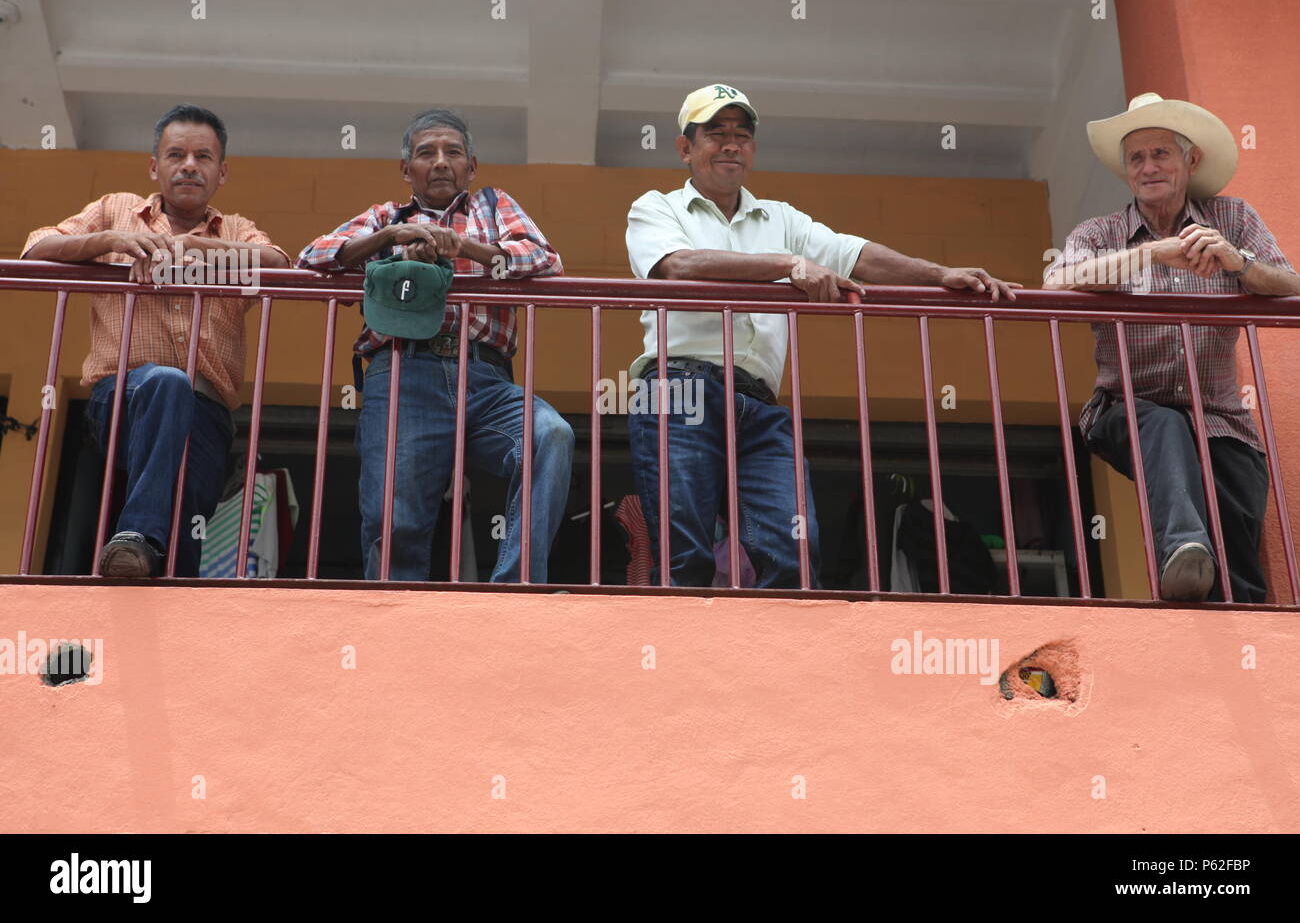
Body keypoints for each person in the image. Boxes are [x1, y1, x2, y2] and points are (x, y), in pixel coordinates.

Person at [625, 84, 1020, 587]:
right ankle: (683, 664)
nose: (731, 145)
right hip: (680, 390)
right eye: (716, 134)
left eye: (742, 136)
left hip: (759, 404)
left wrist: (939, 273)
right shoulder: (656, 207)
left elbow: (855, 254)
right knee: (685, 559)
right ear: (685, 148)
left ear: (752, 150)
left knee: (793, 550)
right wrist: (788, 265)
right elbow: (676, 267)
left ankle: (773, 665)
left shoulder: (781, 217)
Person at [1044, 93, 1300, 602]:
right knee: (1163, 425)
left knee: (1240, 562)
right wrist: (1151, 254)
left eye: (1161, 153)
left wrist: (1238, 263)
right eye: (1136, 158)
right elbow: (1057, 283)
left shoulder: (1233, 218)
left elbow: (1290, 284)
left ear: (1191, 160)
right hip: (1124, 409)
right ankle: (1181, 551)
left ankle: (1240, 643)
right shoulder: (1100, 233)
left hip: (1223, 417)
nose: (1148, 167)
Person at [298, 108, 573, 582]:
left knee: (550, 435)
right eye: (427, 153)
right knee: (393, 518)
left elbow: (545, 262)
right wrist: (391, 237)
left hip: (485, 377)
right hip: (404, 371)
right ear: (407, 170)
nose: (441, 162)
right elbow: (312, 259)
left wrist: (464, 248)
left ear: (472, 166)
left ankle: (516, 586)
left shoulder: (491, 205)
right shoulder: (385, 216)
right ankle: (394, 622)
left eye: (453, 153)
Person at [22, 104, 290, 577]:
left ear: (221, 172)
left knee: (182, 557)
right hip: (125, 400)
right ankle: (134, 537)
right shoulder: (115, 209)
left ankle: (142, 572)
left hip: (206, 416)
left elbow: (279, 263)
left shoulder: (237, 230)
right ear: (154, 165)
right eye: (176, 154)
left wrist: (199, 249)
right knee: (167, 382)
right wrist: (110, 241)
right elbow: (36, 246)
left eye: (203, 157)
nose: (189, 165)